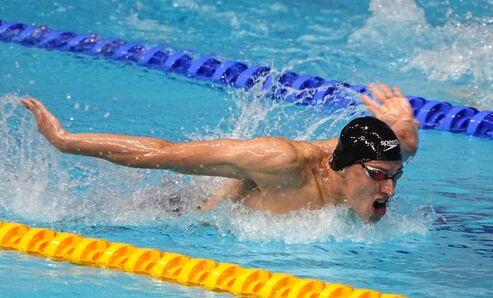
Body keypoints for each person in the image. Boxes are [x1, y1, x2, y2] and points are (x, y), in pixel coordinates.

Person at [20, 84, 419, 223]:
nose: (390, 189)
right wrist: (65, 140)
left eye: (394, 176)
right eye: (379, 175)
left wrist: (406, 129)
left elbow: (402, 146)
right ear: (340, 166)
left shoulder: (378, 162)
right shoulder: (281, 163)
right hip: (188, 214)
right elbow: (165, 153)